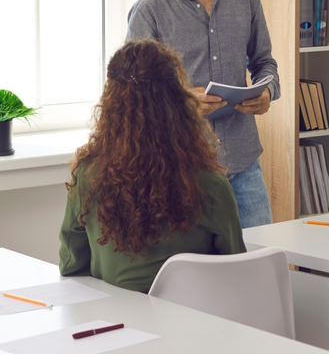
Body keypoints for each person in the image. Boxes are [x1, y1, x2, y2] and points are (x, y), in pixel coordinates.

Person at [125, 0, 279, 228]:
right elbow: (132, 95)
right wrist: (181, 101)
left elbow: (265, 63)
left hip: (244, 166)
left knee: (259, 268)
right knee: (196, 275)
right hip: (181, 172)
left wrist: (268, 93)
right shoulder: (148, 12)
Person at [58, 40, 246, 292]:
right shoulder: (211, 188)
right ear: (178, 102)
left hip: (114, 324)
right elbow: (237, 274)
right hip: (194, 324)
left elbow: (71, 265)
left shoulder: (88, 175)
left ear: (110, 105)